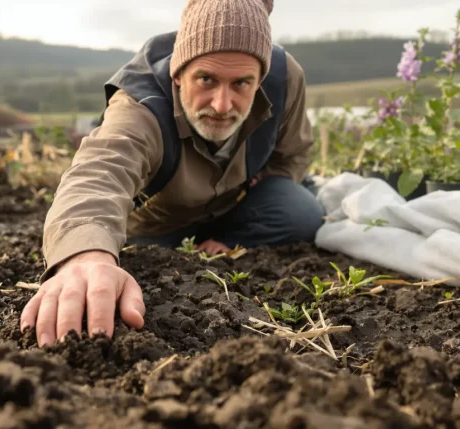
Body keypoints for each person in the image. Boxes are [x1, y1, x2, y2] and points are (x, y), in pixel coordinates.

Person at [20, 0, 325, 347]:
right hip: (160, 225)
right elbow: (99, 172)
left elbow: (292, 155)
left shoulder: (285, 79)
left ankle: (227, 234)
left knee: (302, 210)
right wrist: (86, 256)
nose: (222, 105)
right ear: (178, 74)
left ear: (260, 80)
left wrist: (236, 235)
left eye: (242, 84)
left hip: (234, 207)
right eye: (206, 79)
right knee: (135, 256)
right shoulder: (141, 105)